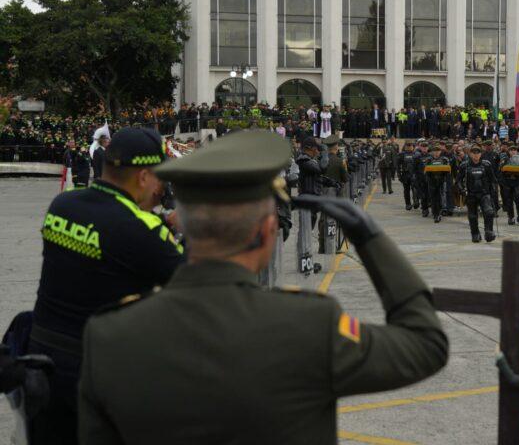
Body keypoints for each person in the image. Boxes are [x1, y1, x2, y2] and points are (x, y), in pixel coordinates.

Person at [78, 131, 448, 445]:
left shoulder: (109, 334)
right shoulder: (309, 325)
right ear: (267, 232)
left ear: (182, 225)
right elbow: (426, 345)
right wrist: (369, 237)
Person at [30, 128, 184, 445]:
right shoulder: (142, 230)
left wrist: (163, 223)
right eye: (160, 179)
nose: (161, 190)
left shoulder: (63, 204)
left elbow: (108, 241)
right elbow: (195, 281)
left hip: (42, 365)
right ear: (144, 177)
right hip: (97, 375)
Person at [458, 145, 497, 243]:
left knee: (489, 211)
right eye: (474, 153)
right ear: (470, 154)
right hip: (471, 194)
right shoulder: (464, 165)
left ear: (481, 154)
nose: (476, 155)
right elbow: (458, 181)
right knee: (472, 216)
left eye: (478, 153)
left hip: (484, 193)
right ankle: (475, 234)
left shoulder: (486, 165)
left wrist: (493, 192)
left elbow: (493, 180)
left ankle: (489, 232)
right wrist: (462, 190)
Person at [423, 144, 451, 223]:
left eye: (438, 151)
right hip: (431, 181)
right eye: (434, 151)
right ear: (432, 152)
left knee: (440, 198)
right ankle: (435, 214)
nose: (436, 153)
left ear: (440, 151)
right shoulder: (428, 159)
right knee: (433, 198)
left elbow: (448, 170)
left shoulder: (444, 159)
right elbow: (425, 170)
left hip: (441, 181)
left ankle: (438, 213)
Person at [499, 144, 519, 225]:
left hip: (517, 182)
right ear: (509, 151)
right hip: (507, 183)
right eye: (511, 150)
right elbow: (501, 169)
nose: (513, 151)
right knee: (509, 201)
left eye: (515, 150)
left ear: (517, 151)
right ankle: (511, 217)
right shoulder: (505, 159)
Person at [397, 142, 418, 210]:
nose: (409, 147)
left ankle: (415, 202)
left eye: (410, 146)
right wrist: (399, 175)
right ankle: (408, 204)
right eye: (407, 146)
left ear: (413, 147)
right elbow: (398, 166)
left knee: (415, 189)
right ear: (405, 147)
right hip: (405, 175)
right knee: (406, 190)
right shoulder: (402, 154)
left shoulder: (416, 154)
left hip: (414, 174)